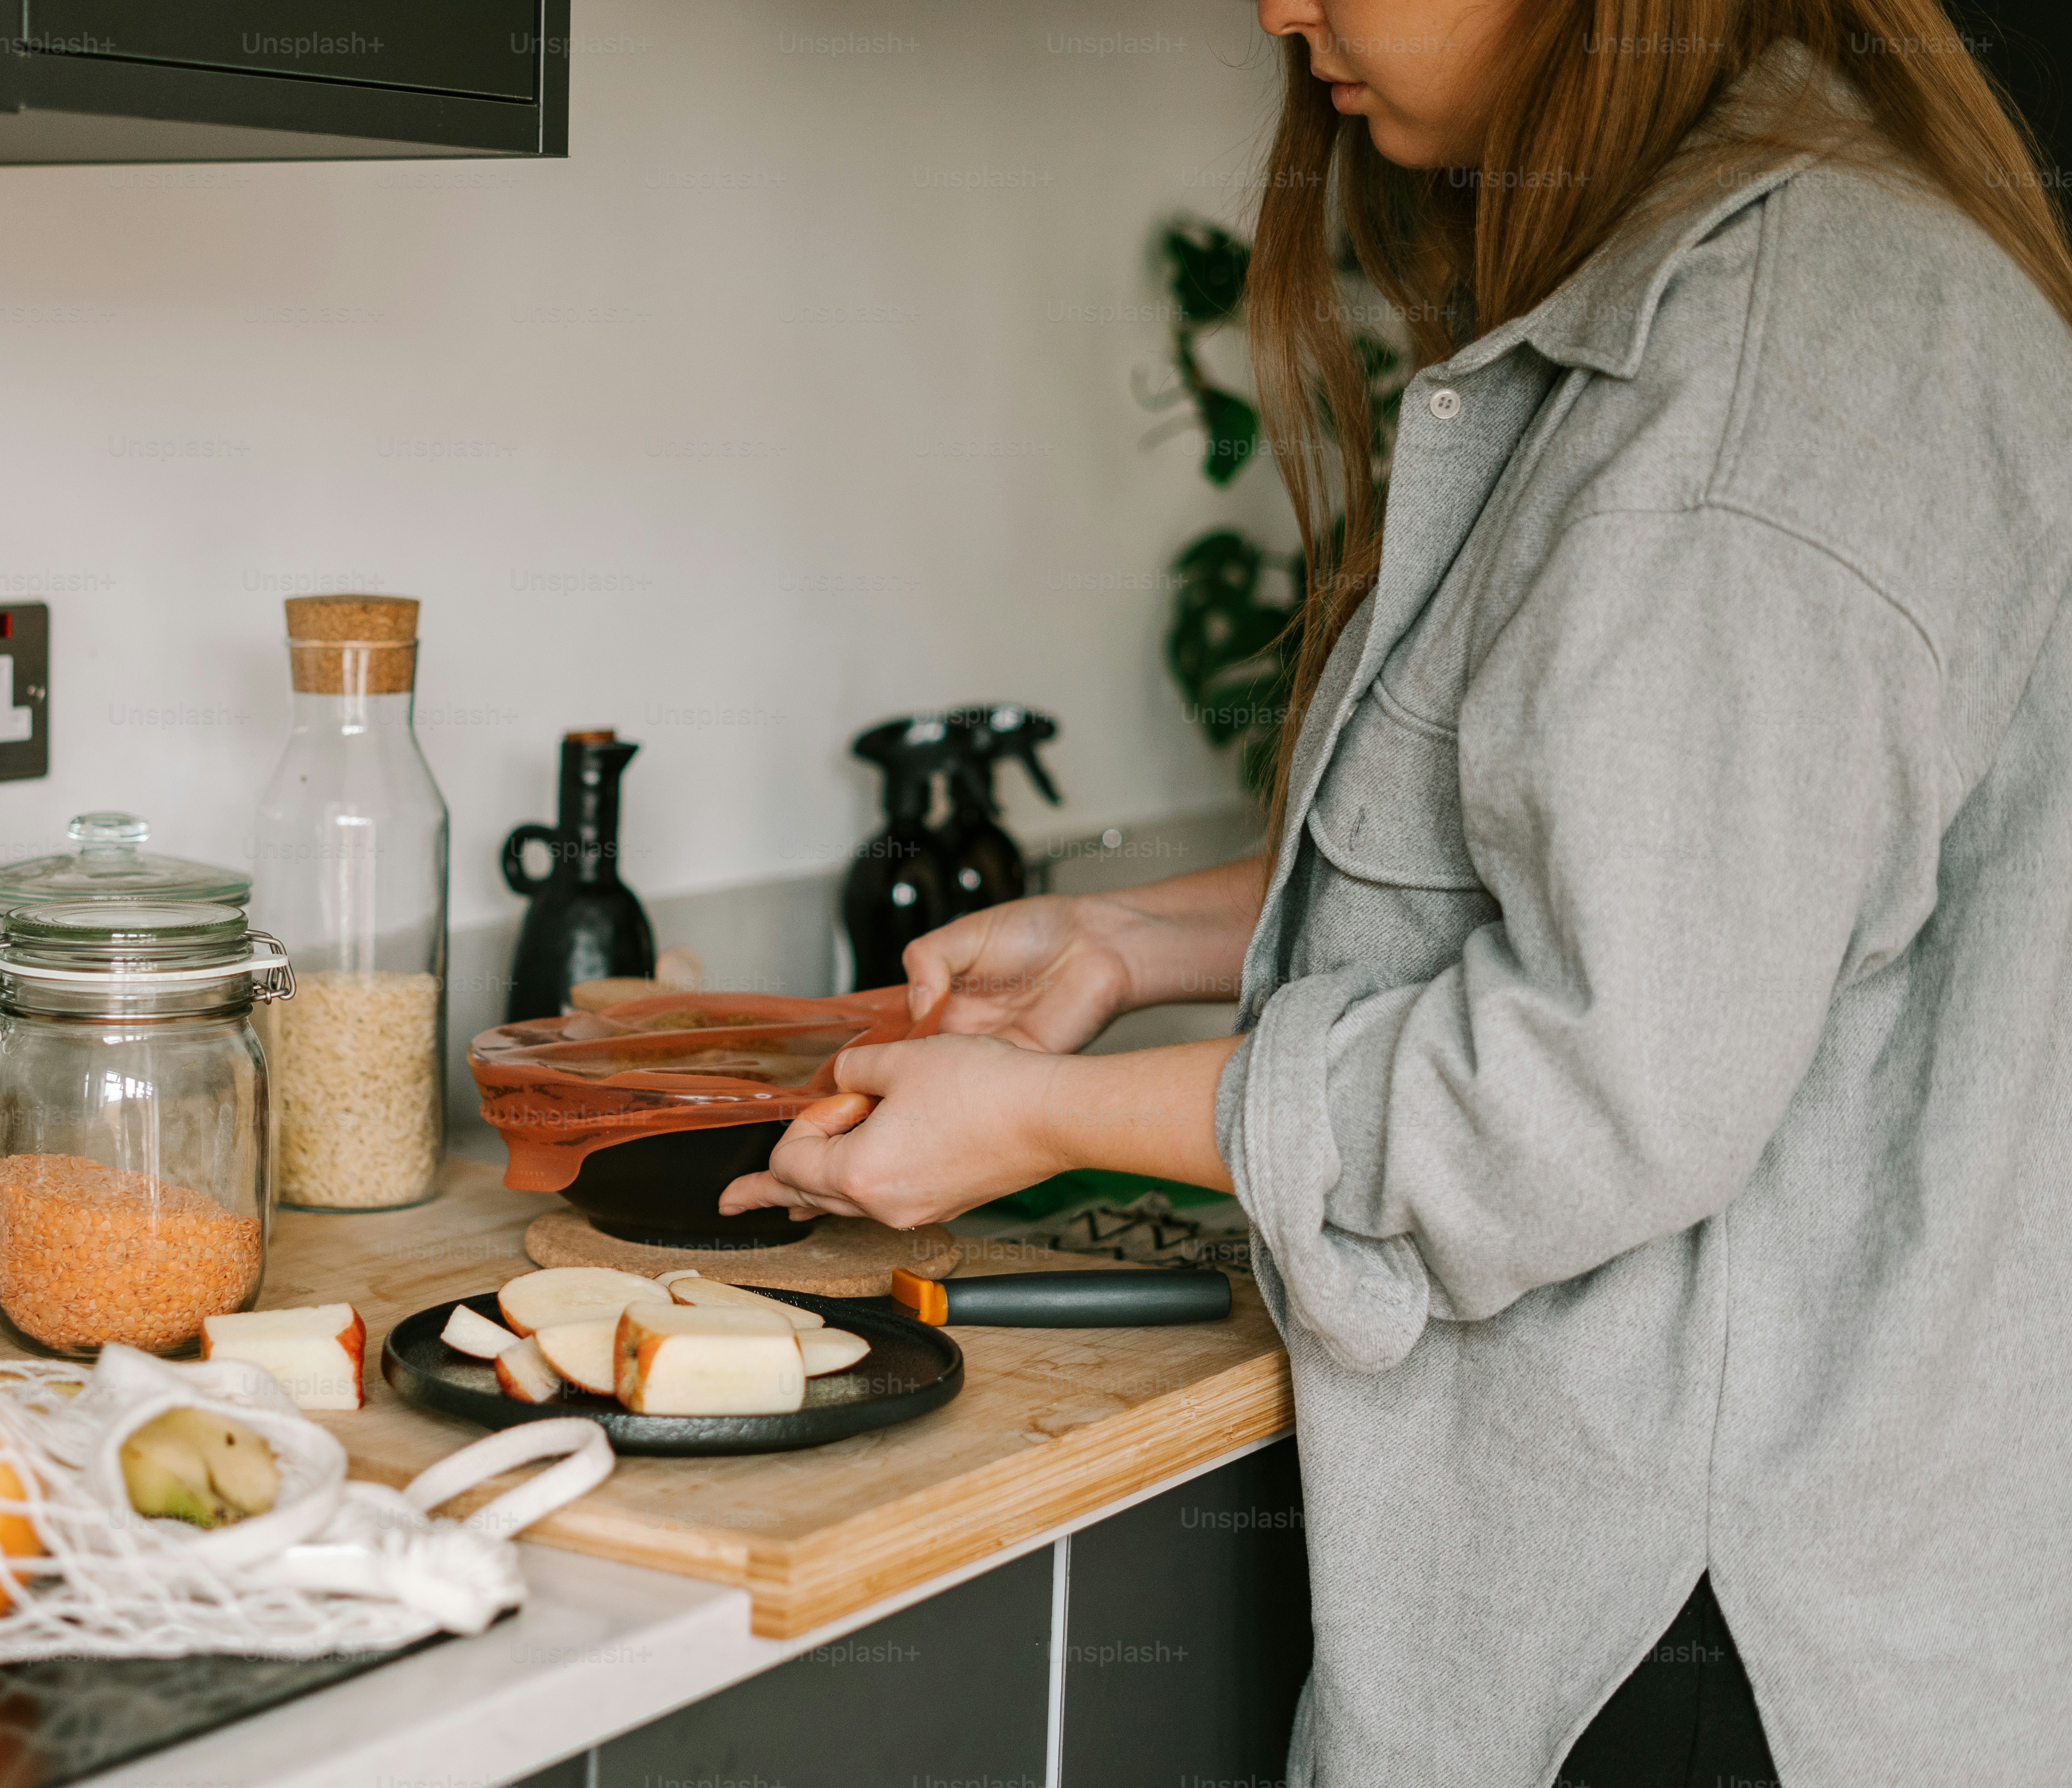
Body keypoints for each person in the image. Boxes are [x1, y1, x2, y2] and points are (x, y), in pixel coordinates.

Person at [721, 3, 2072, 1782]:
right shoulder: (1769, 266)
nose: (1279, 4)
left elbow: (1593, 1094)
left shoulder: (1756, 359)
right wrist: (1131, 940)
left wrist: (1041, 1115)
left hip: (1691, 1634)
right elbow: (1665, 883)